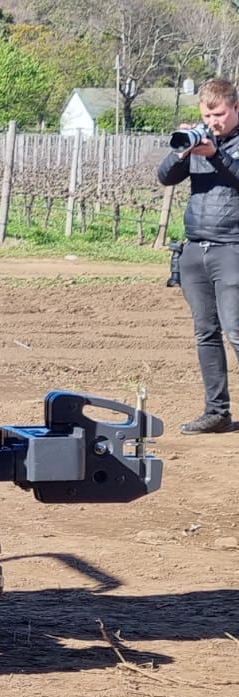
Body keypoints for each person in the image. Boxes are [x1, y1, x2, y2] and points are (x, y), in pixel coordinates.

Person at [159, 77, 239, 435]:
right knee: (206, 332)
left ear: (235, 108)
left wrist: (217, 154)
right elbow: (164, 177)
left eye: (220, 114)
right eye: (208, 114)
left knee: (236, 330)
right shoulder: (199, 140)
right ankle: (216, 412)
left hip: (232, 248)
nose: (214, 121)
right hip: (195, 249)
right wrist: (185, 151)